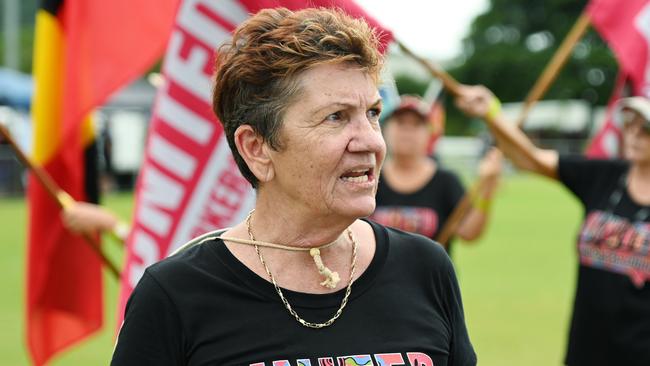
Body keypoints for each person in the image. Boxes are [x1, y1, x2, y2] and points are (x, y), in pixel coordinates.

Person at [111, 8, 476, 365]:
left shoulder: (425, 268)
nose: (371, 141)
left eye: (372, 114)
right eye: (336, 117)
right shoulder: (176, 295)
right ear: (257, 149)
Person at [455, 86, 650, 366]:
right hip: (586, 350)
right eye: (631, 125)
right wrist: (491, 114)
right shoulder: (605, 176)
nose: (634, 134)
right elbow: (529, 159)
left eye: (645, 128)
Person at [371, 95, 503, 253]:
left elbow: (468, 233)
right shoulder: (370, 179)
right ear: (386, 129)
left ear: (430, 133)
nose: (407, 131)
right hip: (380, 278)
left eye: (416, 125)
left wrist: (487, 187)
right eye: (400, 123)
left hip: (432, 277)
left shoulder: (446, 181)